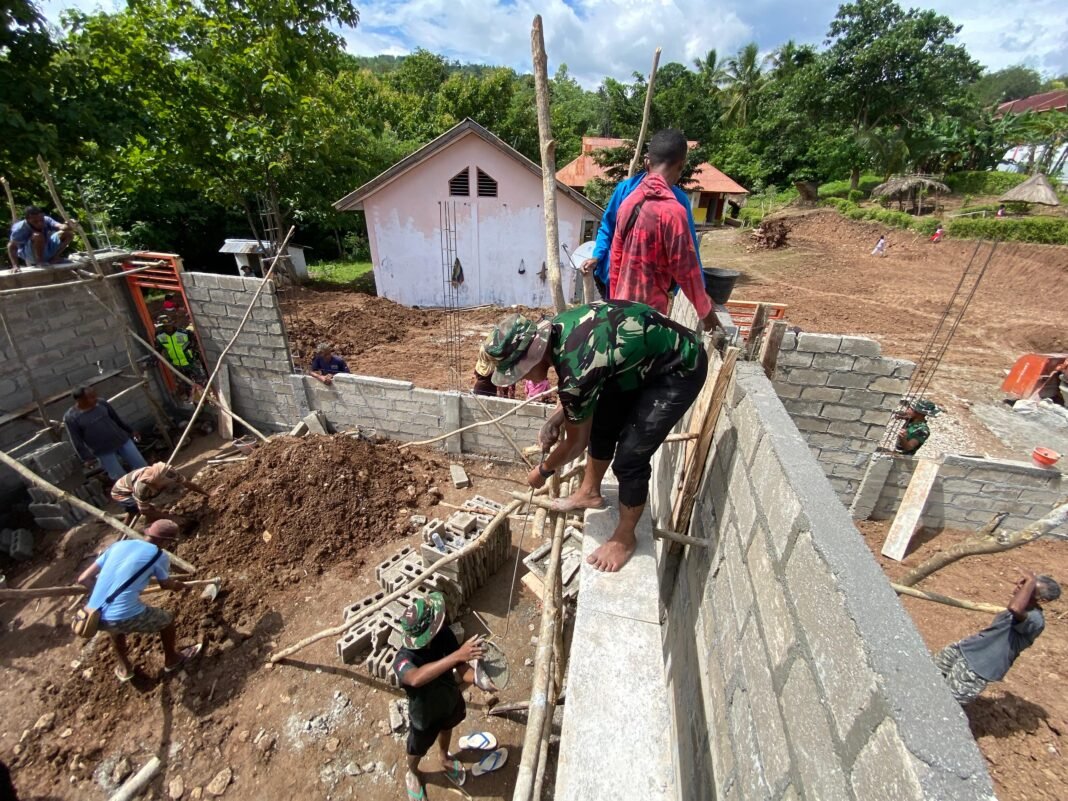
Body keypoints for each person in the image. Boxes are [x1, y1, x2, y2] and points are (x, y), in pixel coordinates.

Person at [483, 302, 707, 573]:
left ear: (532, 356)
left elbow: (576, 442)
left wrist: (542, 471)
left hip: (679, 367)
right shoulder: (561, 328)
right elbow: (578, 387)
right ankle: (589, 492)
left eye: (518, 371)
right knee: (601, 420)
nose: (520, 379)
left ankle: (625, 538)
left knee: (630, 456)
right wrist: (555, 419)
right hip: (637, 361)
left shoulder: (578, 372)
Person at [394, 593, 506, 799]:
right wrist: (458, 655)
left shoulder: (444, 635)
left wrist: (479, 680)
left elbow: (461, 667)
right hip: (424, 714)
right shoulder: (403, 659)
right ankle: (412, 771)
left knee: (447, 727)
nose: (441, 621)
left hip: (448, 700)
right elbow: (416, 678)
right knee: (417, 748)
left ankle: (444, 758)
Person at [608, 129, 718, 332]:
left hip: (619, 316)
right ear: (681, 165)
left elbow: (615, 261)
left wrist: (613, 306)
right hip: (650, 322)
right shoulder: (673, 212)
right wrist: (710, 319)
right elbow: (688, 274)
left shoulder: (628, 203)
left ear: (647, 163)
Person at [580, 130, 704, 300]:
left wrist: (698, 291)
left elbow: (689, 252)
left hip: (650, 291)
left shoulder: (678, 202)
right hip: (615, 280)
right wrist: (597, 255)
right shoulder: (625, 191)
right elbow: (608, 227)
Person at [75, 519, 204, 682]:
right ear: (166, 541)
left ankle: (125, 668)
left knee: (115, 630)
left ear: (148, 533)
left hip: (94, 614)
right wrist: (177, 586)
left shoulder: (118, 546)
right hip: (123, 615)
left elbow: (83, 579)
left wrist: (107, 597)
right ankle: (172, 659)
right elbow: (165, 584)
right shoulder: (159, 555)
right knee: (167, 620)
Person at [933, 571, 1060, 705]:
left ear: (1042, 600)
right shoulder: (1023, 610)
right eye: (1022, 584)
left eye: (1029, 588)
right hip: (965, 649)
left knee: (945, 703)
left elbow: (1015, 608)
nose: (1019, 587)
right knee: (929, 676)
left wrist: (1031, 580)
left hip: (978, 667)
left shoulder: (1035, 620)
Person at [64, 386, 148, 481]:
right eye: (91, 397)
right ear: (80, 400)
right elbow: (76, 439)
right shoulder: (71, 417)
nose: (95, 398)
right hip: (103, 451)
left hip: (122, 440)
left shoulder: (101, 403)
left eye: (95, 395)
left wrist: (131, 430)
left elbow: (116, 419)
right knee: (119, 477)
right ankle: (129, 495)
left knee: (142, 466)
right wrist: (86, 458)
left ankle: (150, 488)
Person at [111, 462, 209, 524]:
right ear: (156, 483)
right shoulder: (142, 489)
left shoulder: (169, 473)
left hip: (131, 485)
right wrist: (172, 517)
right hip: (120, 493)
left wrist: (208, 494)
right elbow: (145, 511)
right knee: (143, 510)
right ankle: (146, 527)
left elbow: (188, 484)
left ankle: (128, 521)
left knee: (136, 511)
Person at [6, 206, 75, 271]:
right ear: (27, 219)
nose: (39, 223)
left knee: (68, 234)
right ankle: (40, 262)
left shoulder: (46, 219)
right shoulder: (19, 228)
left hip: (46, 249)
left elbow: (61, 227)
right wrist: (15, 266)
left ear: (43, 216)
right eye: (35, 221)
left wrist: (68, 225)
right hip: (30, 255)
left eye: (41, 220)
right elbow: (11, 246)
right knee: (37, 235)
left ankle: (54, 258)